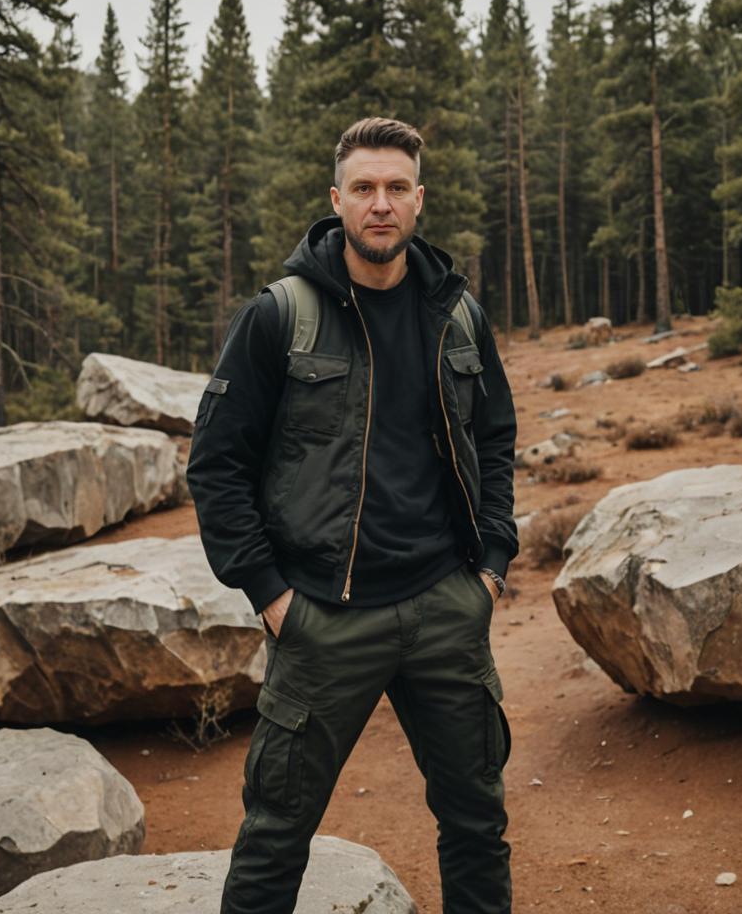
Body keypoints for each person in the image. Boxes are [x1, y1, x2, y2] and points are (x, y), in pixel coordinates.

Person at [187, 116, 518, 914]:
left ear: (418, 200)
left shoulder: (457, 313)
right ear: (336, 199)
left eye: (396, 188)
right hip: (324, 618)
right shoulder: (280, 316)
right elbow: (216, 466)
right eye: (364, 189)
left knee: (477, 824)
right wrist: (272, 597)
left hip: (446, 606)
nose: (380, 204)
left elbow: (496, 437)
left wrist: (491, 570)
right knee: (274, 836)